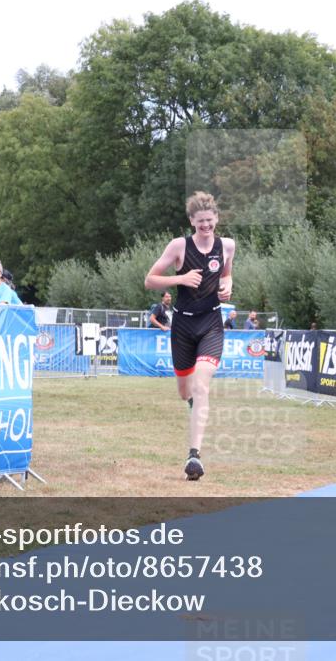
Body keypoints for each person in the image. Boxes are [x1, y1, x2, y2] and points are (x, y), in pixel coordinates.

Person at [145, 191, 234, 481]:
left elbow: (226, 274)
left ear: (217, 219)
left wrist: (227, 286)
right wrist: (180, 279)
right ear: (192, 221)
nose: (206, 226)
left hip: (211, 323)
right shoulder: (179, 246)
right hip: (182, 326)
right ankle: (194, 404)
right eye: (200, 222)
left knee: (201, 386)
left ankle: (193, 456)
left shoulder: (228, 246)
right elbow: (150, 280)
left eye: (210, 221)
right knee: (185, 392)